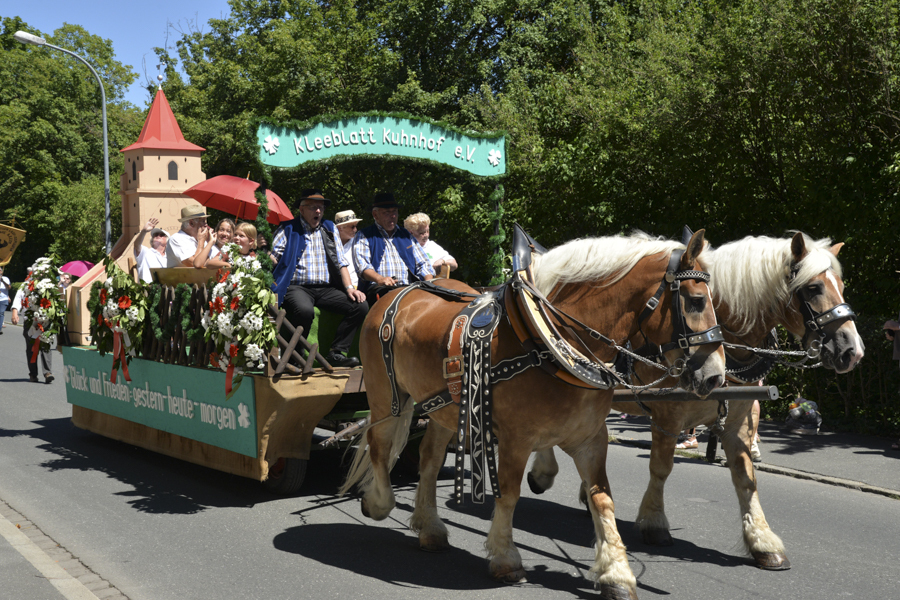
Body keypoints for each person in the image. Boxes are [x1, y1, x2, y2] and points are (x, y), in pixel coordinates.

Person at [271, 189, 368, 368]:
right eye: (313, 207)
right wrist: (263, 252)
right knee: (305, 310)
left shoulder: (330, 228)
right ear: (301, 209)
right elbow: (274, 260)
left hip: (326, 288)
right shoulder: (287, 228)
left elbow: (341, 262)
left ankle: (337, 353)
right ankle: (295, 355)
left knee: (359, 306)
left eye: (321, 208)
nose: (318, 211)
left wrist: (349, 288)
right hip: (297, 286)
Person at [352, 192, 435, 305]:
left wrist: (429, 282)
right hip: (379, 289)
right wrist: (380, 279)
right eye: (387, 212)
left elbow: (423, 263)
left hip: (408, 288)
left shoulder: (406, 235)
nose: (393, 216)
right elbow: (363, 267)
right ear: (375, 215)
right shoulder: (364, 235)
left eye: (394, 211)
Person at [10, 269, 53, 383]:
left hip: (45, 321)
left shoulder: (48, 285)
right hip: (29, 322)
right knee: (32, 348)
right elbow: (18, 299)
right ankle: (33, 374)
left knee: (46, 346)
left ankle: (47, 373)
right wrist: (15, 312)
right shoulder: (25, 285)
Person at [133, 218, 169, 283]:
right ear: (152, 241)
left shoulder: (169, 257)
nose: (158, 236)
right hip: (147, 290)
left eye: (162, 235)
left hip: (165, 290)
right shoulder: (146, 252)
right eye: (155, 235)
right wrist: (144, 231)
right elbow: (136, 245)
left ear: (167, 242)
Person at [334, 209, 362, 289]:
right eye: (352, 227)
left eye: (356, 226)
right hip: (333, 289)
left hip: (356, 287)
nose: (355, 230)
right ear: (340, 228)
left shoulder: (359, 243)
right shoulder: (330, 244)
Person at [0, 265, 10, 334]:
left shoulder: (5, 278)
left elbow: (9, 287)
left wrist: (2, 281)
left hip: (3, 300)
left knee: (1, 313)